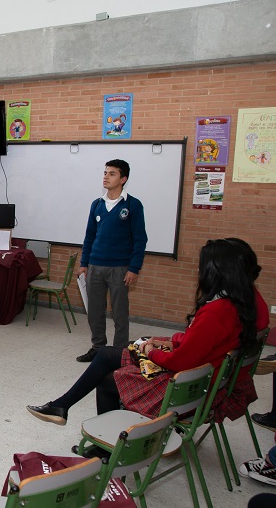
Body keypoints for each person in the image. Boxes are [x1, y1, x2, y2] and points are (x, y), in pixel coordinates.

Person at [27, 238, 269, 426]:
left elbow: (180, 361)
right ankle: (63, 407)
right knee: (113, 353)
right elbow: (204, 342)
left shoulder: (217, 311)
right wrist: (170, 341)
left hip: (188, 390)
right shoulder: (248, 300)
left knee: (109, 377)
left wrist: (152, 351)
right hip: (207, 380)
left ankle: (101, 439)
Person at [76, 159, 147, 362]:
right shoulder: (97, 205)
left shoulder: (133, 205)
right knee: (95, 312)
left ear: (123, 179)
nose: (106, 176)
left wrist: (134, 268)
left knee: (119, 314)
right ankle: (98, 348)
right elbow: (89, 236)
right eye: (105, 172)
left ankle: (119, 354)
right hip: (95, 266)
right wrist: (84, 264)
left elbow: (140, 239)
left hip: (120, 268)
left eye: (112, 173)